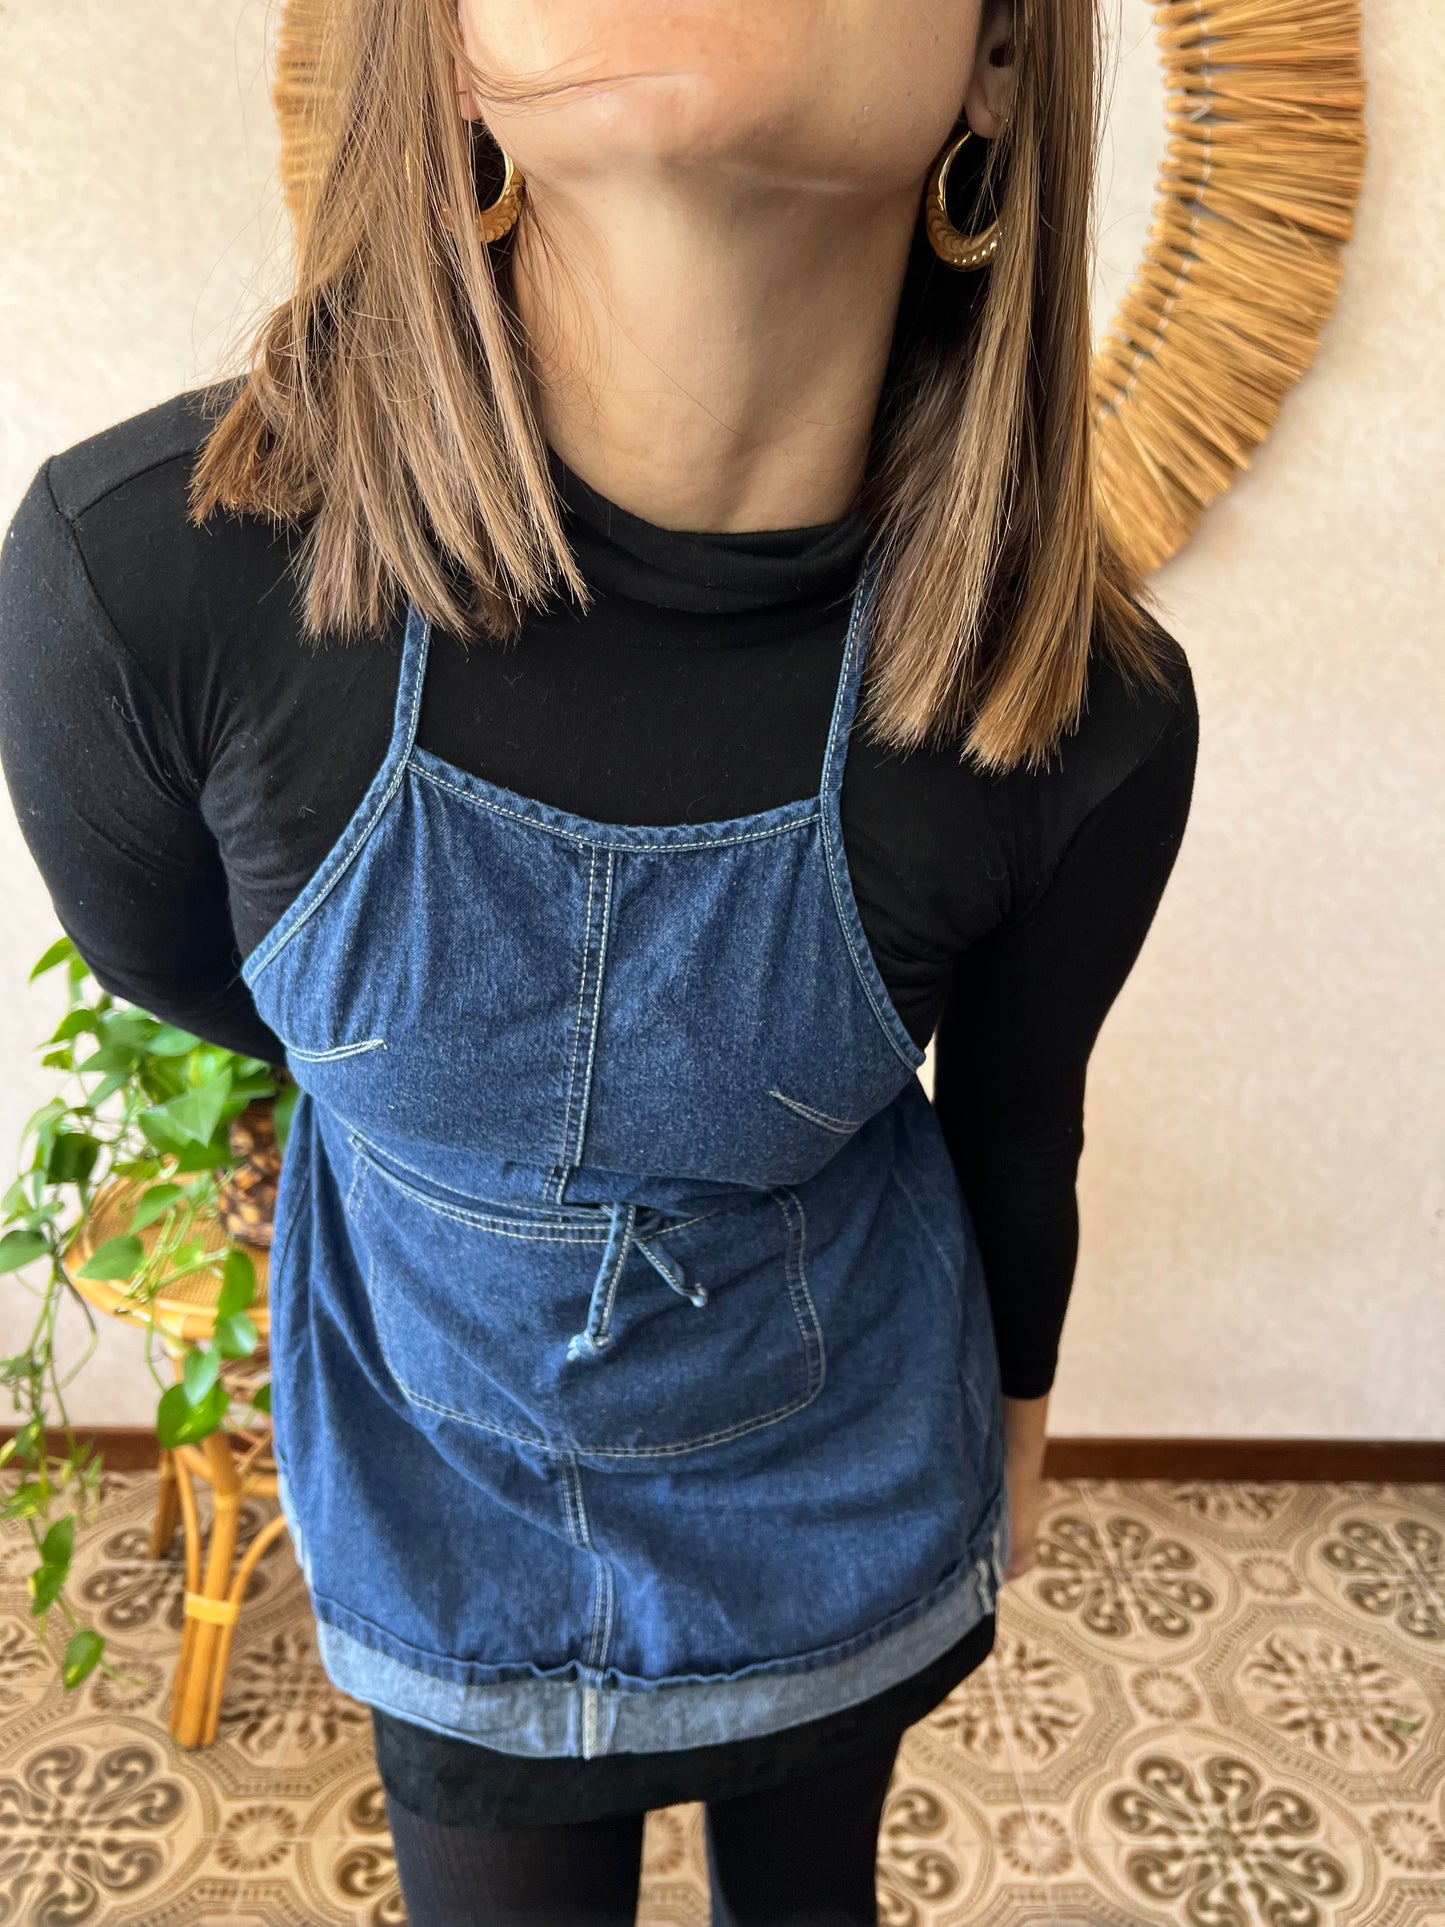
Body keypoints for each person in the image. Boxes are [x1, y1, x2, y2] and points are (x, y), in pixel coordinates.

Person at [0, 1, 1198, 1919]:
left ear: (992, 60)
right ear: (449, 54)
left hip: (848, 1495)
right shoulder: (141, 588)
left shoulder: (1078, 714)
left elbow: (1012, 1131)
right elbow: (194, 978)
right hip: (435, 1502)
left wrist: (1018, 1432)